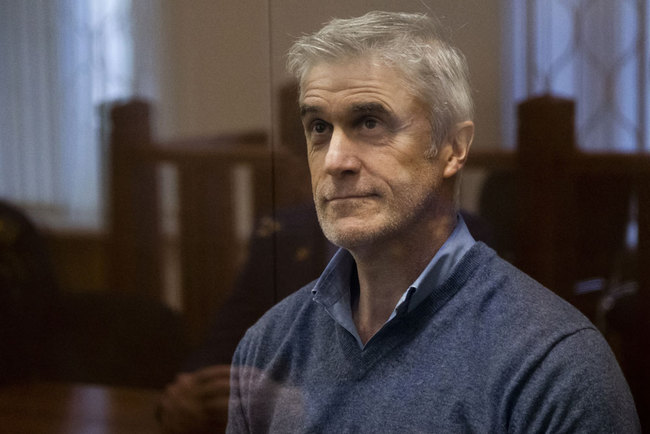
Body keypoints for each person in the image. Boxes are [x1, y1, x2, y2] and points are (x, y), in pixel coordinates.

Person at [225, 10, 640, 433]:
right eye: (319, 127)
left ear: (453, 148)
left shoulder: (552, 365)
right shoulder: (269, 345)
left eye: (369, 122)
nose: (335, 160)